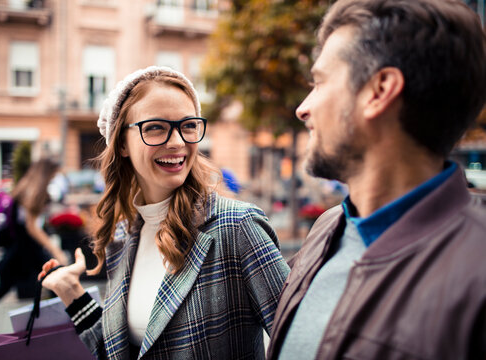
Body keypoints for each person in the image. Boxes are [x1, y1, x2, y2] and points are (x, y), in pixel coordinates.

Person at [267, 0, 486, 359]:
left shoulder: (477, 275)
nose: (303, 108)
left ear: (380, 90)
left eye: (319, 82)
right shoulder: (326, 229)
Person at [38, 66, 290, 359]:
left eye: (188, 126)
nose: (177, 142)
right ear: (121, 143)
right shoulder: (124, 235)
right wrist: (71, 293)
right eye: (156, 127)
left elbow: (300, 340)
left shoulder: (236, 228)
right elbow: (121, 351)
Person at [0, 158, 68, 315]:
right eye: (53, 175)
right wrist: (56, 251)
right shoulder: (33, 192)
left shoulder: (25, 188)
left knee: (5, 288)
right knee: (54, 278)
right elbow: (32, 227)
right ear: (46, 174)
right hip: (26, 250)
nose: (53, 179)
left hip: (22, 249)